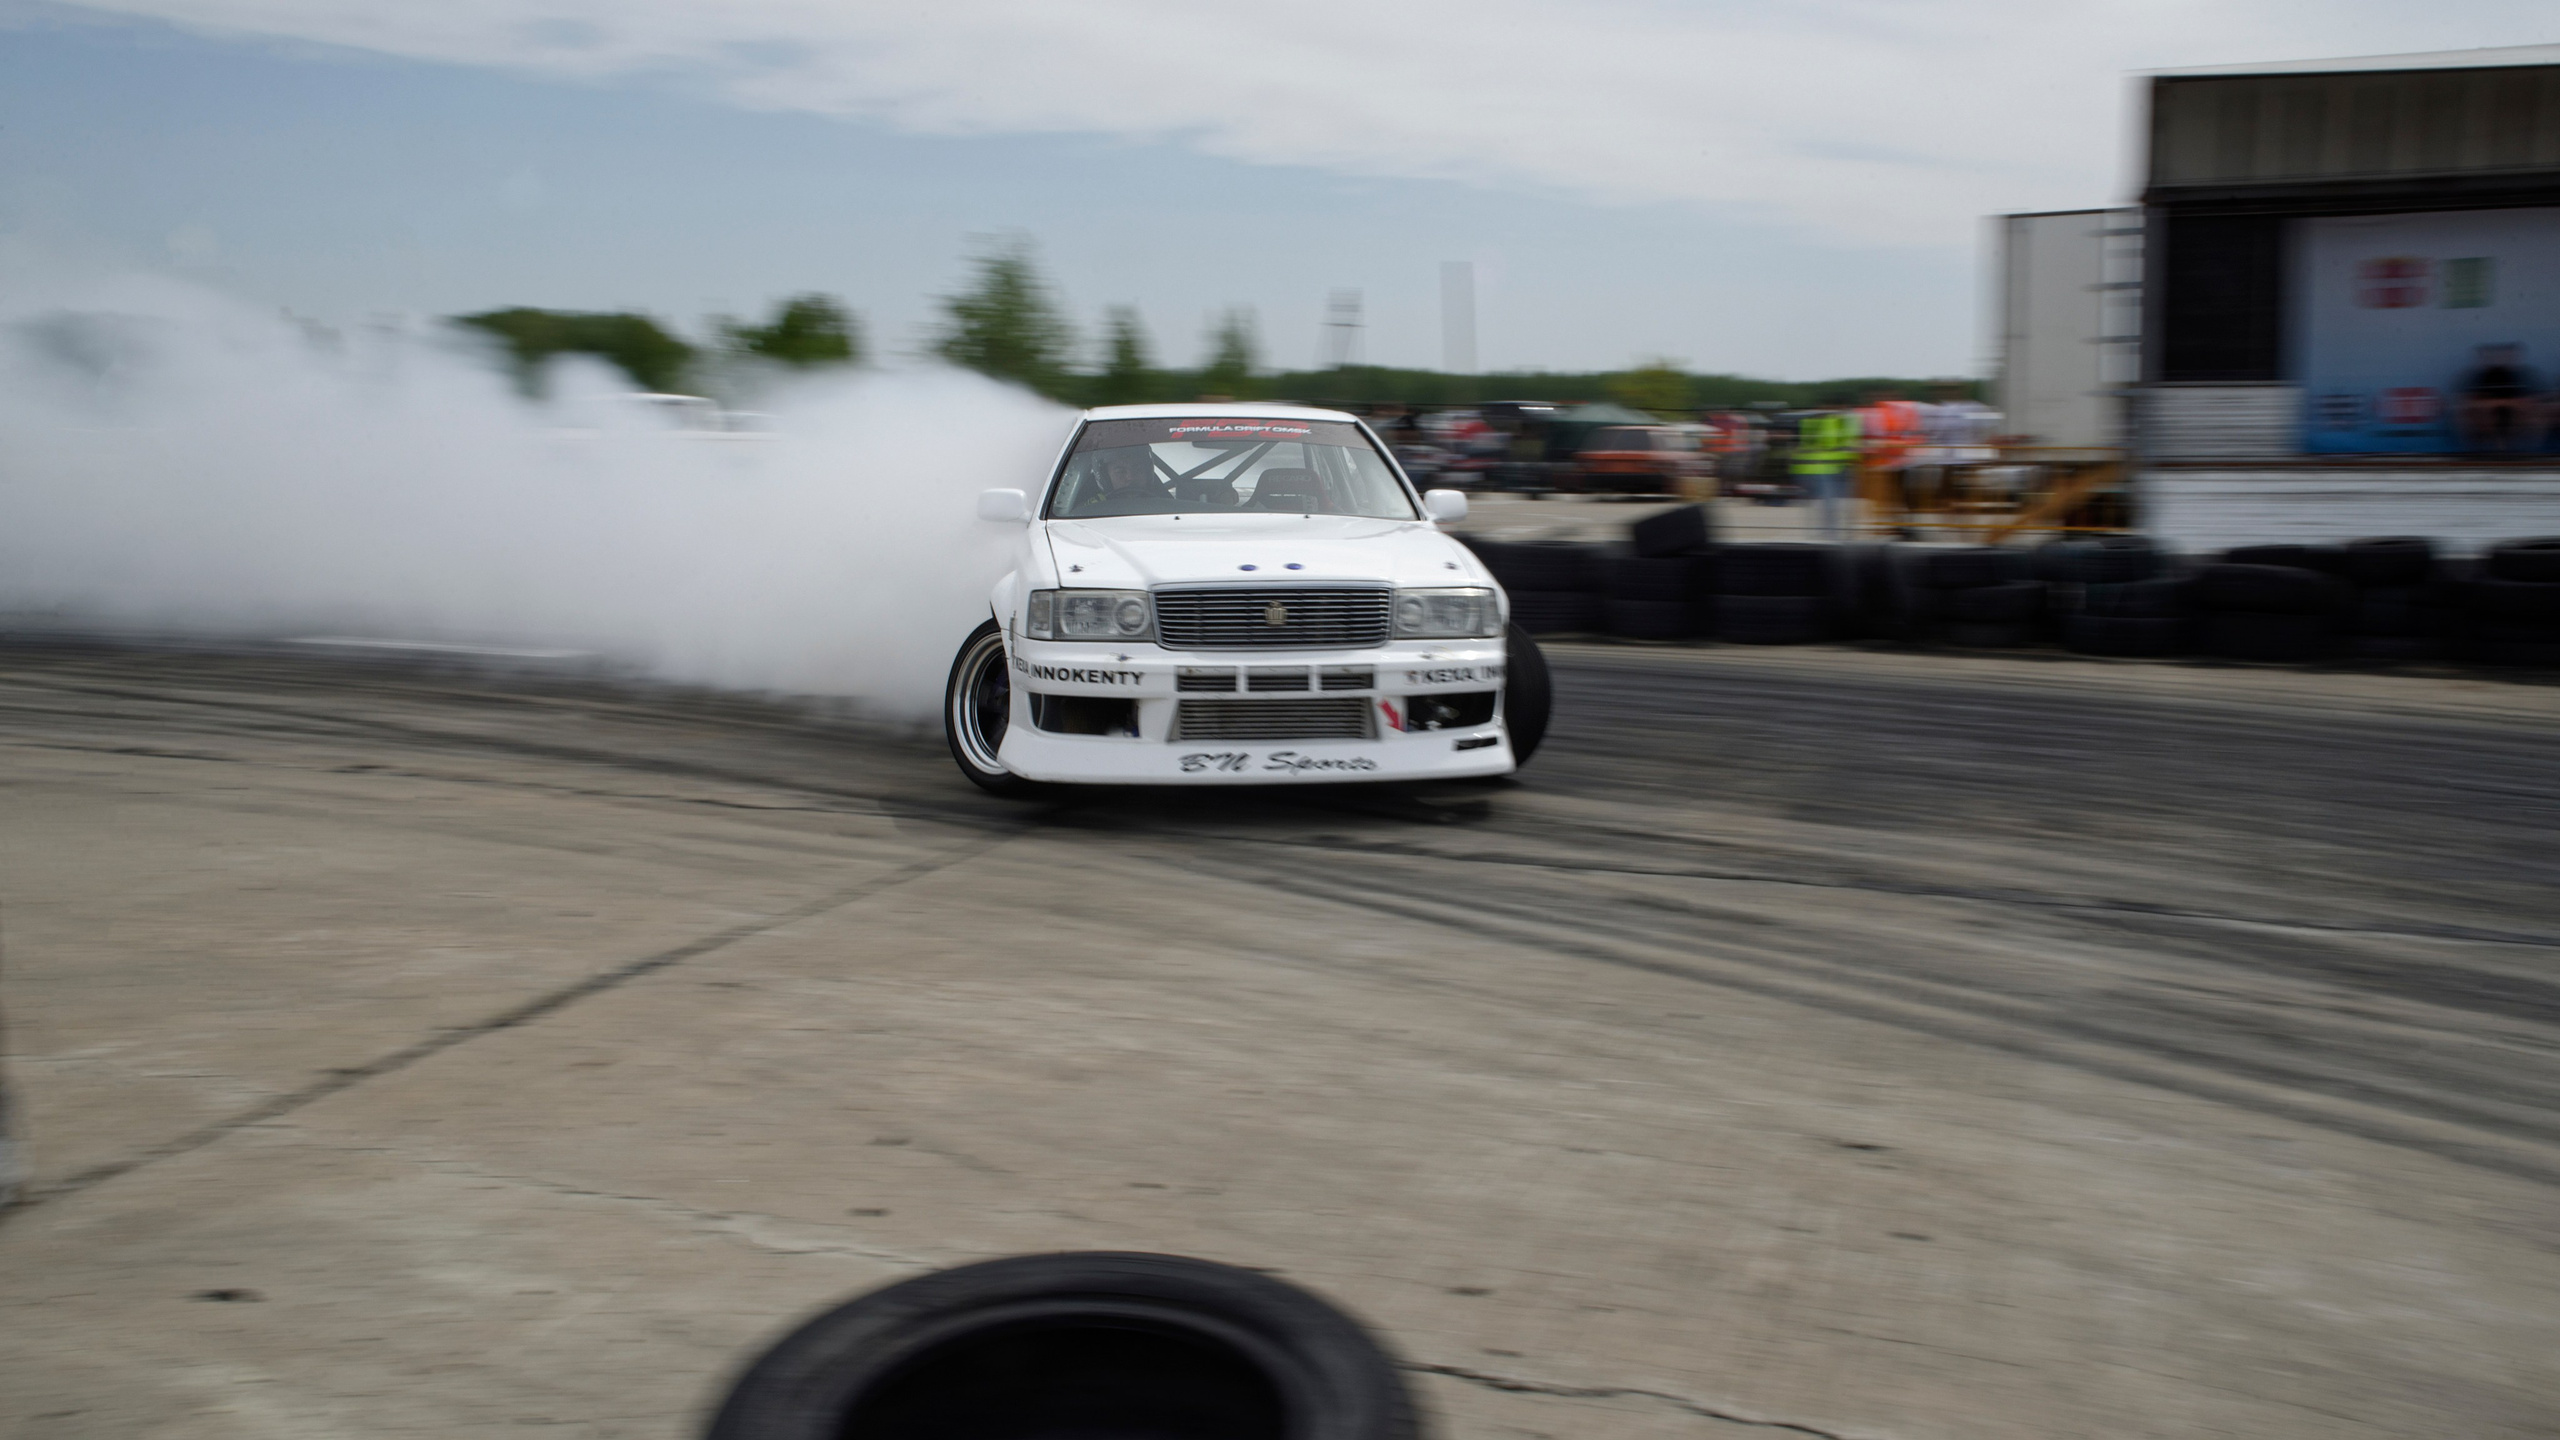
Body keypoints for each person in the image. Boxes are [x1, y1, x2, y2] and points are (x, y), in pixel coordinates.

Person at [1790, 404, 1861, 540]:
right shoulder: (1841, 422)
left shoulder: (1811, 422)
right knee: (1830, 504)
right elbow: (1849, 447)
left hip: (1825, 468)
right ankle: (1831, 534)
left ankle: (1827, 533)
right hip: (1828, 468)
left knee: (1827, 504)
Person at [2461, 344, 2545, 454]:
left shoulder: (2523, 375)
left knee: (2535, 413)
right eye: (2494, 357)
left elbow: (2532, 400)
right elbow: (2470, 401)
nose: (2500, 359)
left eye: (2506, 356)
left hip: (2516, 416)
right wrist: (2499, 403)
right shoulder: (2478, 377)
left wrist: (2507, 404)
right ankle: (2477, 453)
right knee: (2472, 412)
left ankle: (2533, 453)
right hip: (2488, 417)